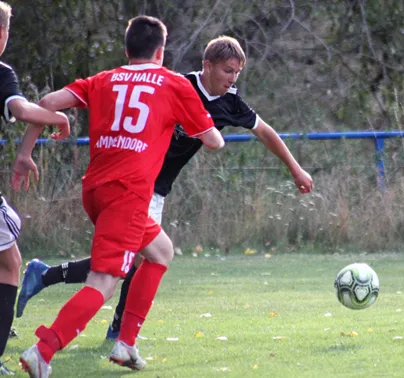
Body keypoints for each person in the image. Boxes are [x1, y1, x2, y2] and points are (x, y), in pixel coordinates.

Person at [15, 35, 314, 340]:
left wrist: (296, 169)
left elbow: (264, 131)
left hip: (154, 189)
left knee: (137, 257)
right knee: (140, 257)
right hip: (135, 183)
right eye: (227, 70)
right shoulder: (174, 86)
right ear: (207, 66)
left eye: (237, 72)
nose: (232, 78)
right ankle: (112, 331)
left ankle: (51, 280)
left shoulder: (230, 102)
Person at [12, 15, 224, 377]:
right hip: (127, 194)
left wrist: (25, 152)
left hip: (95, 190)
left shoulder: (103, 79)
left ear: (127, 50)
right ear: (160, 52)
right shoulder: (173, 83)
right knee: (104, 282)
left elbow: (48, 101)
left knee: (160, 252)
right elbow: (214, 141)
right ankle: (43, 350)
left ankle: (126, 344)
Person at [0, 2, 70, 375]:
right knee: (9, 264)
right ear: (2, 32)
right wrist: (58, 117)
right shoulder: (1, 72)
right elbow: (23, 110)